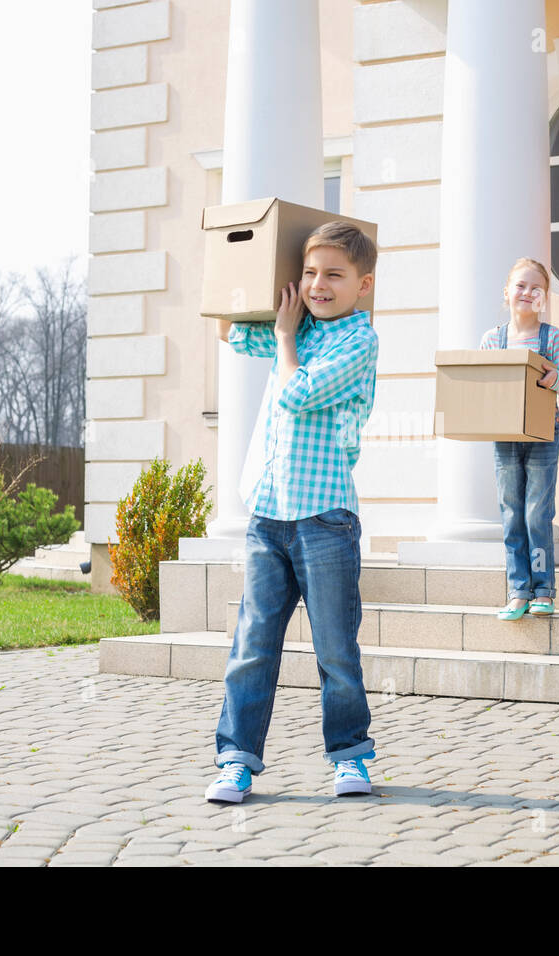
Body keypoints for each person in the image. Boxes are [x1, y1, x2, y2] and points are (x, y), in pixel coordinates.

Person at [205, 221, 380, 804]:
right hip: (267, 514)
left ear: (363, 284)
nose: (318, 285)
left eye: (334, 274)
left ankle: (350, 758)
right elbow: (230, 330)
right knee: (253, 642)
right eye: (309, 273)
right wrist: (245, 272)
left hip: (325, 518)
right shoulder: (297, 322)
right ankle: (237, 760)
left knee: (334, 647)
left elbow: (297, 392)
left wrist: (285, 338)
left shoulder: (358, 340)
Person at [481, 258, 559, 620]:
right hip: (504, 436)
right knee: (511, 513)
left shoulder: (552, 337)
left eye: (536, 288)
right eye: (520, 285)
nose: (527, 292)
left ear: (545, 299)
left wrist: (553, 378)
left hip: (543, 434)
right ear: (507, 293)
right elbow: (485, 390)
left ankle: (543, 590)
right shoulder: (492, 339)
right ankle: (517, 590)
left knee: (538, 513)